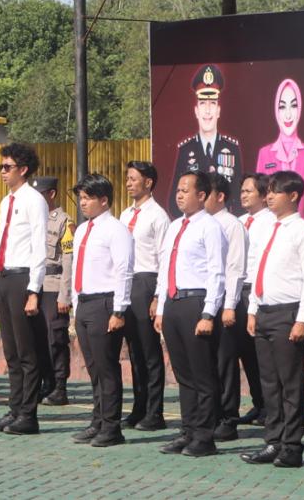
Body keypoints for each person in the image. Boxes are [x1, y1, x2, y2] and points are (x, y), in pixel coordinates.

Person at [240, 171, 304, 469]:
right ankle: (273, 441)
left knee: (290, 384)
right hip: (264, 312)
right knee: (269, 383)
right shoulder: (267, 229)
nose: (269, 196)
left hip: (289, 313)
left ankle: (292, 446)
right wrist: (252, 309)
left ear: (294, 196)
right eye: (268, 191)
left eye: (276, 191)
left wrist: (302, 319)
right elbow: (257, 271)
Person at [155, 171, 226, 457]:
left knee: (202, 375)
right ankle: (188, 431)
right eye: (178, 190)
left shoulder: (210, 226)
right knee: (183, 375)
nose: (180, 194)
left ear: (202, 195)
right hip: (174, 302)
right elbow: (165, 269)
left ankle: (205, 437)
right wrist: (161, 308)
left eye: (186, 190)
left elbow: (217, 272)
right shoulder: (175, 226)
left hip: (196, 302)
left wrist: (208, 314)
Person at [0, 143, 48, 436]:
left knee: (27, 350)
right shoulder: (5, 201)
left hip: (23, 277)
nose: (2, 172)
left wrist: (34, 290)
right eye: (1, 167)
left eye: (7, 167)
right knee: (10, 349)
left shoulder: (34, 200)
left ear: (23, 169)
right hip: (6, 276)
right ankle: (15, 408)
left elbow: (39, 247)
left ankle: (28, 415)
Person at [69, 174, 134, 448]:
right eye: (81, 198)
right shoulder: (83, 230)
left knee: (107, 368)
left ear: (104, 200)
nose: (83, 203)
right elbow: (77, 269)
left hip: (105, 303)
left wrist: (119, 310)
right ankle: (97, 421)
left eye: (88, 198)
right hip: (85, 303)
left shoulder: (116, 230)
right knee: (94, 368)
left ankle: (111, 426)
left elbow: (123, 271)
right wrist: (76, 305)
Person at [120, 160, 169, 430]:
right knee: (134, 350)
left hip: (147, 281)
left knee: (149, 350)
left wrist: (158, 296)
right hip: (127, 282)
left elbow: (164, 259)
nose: (129, 183)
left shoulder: (158, 216)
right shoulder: (125, 214)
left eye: (134, 178)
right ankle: (138, 407)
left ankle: (154, 411)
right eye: (127, 178)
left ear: (148, 182)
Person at [206, 173, 248, 441]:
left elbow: (235, 268)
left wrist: (230, 305)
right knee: (205, 362)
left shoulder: (232, 225)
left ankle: (228, 418)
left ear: (220, 196)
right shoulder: (197, 224)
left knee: (225, 363)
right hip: (203, 302)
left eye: (205, 193)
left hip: (225, 302)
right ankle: (208, 415)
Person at [170, 65, 243, 215]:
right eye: (203, 103)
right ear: (196, 111)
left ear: (218, 110)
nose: (208, 111)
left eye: (212, 103)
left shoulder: (232, 148)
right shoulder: (185, 150)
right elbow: (174, 202)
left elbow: (239, 198)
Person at [255, 79, 304, 225]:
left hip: (303, 231)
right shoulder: (265, 153)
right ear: (276, 110)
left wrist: (298, 228)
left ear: (300, 109)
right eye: (282, 106)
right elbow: (260, 201)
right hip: (270, 229)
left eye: (293, 106)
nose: (288, 115)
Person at [32, 176, 73, 406]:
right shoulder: (32, 219)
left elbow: (69, 260)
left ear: (52, 194)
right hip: (35, 285)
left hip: (53, 284)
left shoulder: (64, 221)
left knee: (55, 337)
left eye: (41, 194)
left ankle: (59, 386)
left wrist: (64, 294)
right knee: (37, 338)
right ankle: (45, 383)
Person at [232, 173, 269, 426]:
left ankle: (269, 406)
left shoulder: (270, 222)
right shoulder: (240, 221)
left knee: (259, 353)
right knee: (245, 352)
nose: (243, 195)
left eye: (249, 191)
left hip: (257, 291)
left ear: (264, 195)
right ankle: (258, 403)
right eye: (242, 190)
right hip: (239, 290)